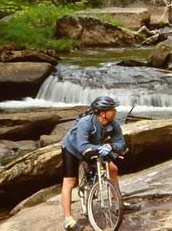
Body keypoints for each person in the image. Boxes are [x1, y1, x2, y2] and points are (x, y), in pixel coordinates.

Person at [60, 96, 140, 231]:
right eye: (112, 109)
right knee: (70, 181)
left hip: (95, 147)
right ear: (102, 113)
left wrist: (112, 147)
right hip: (73, 148)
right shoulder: (85, 123)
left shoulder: (113, 123)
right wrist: (100, 148)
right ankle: (68, 220)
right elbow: (82, 147)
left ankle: (117, 203)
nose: (115, 111)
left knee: (113, 169)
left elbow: (121, 143)